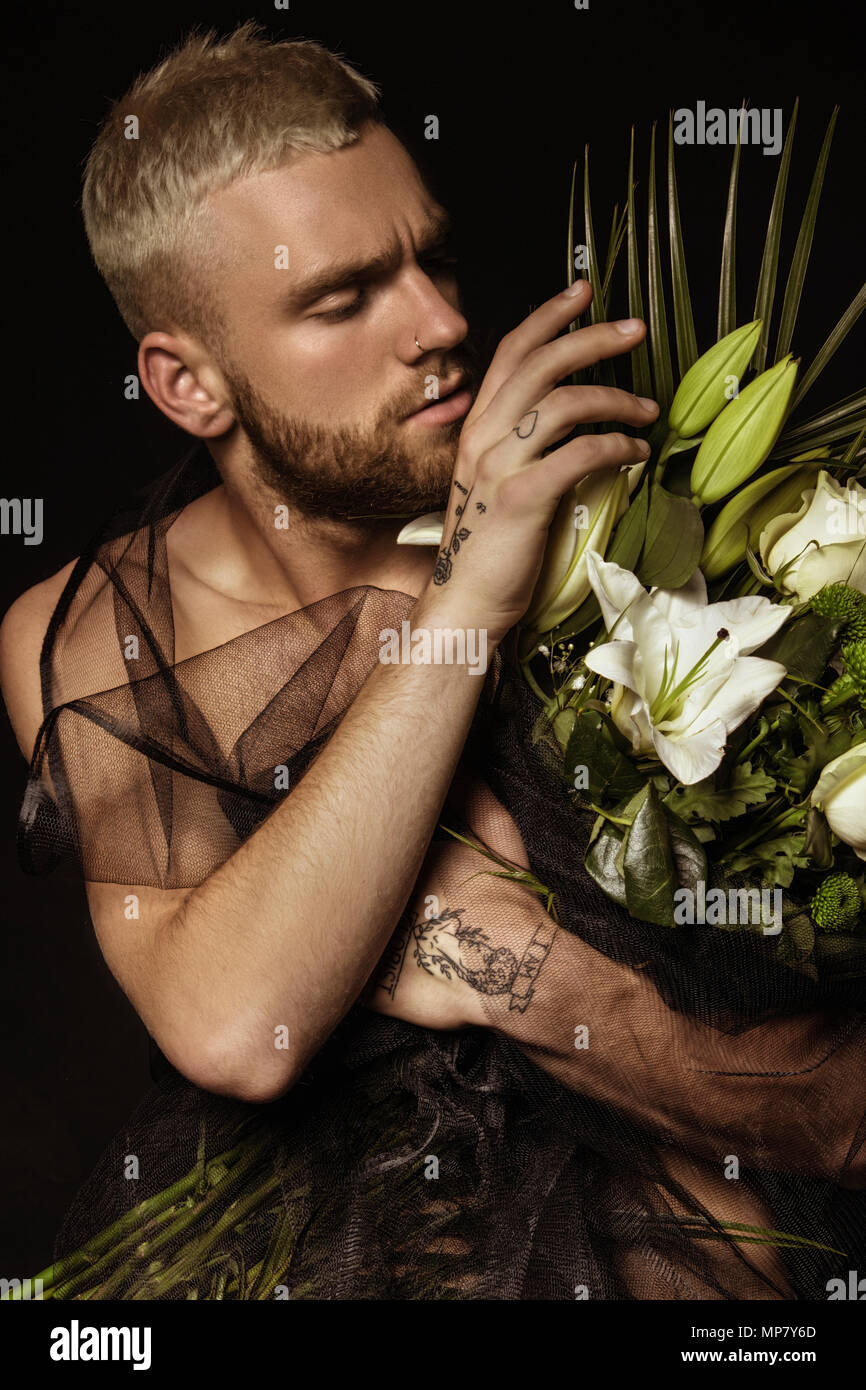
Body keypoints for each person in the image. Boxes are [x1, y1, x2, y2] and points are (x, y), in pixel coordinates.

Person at [1, 22, 863, 1301]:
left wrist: (517, 975)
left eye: (434, 259)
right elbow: (237, 1026)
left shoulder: (643, 533)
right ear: (186, 385)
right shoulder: (89, 632)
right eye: (341, 297)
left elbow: (841, 1105)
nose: (444, 323)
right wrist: (468, 597)